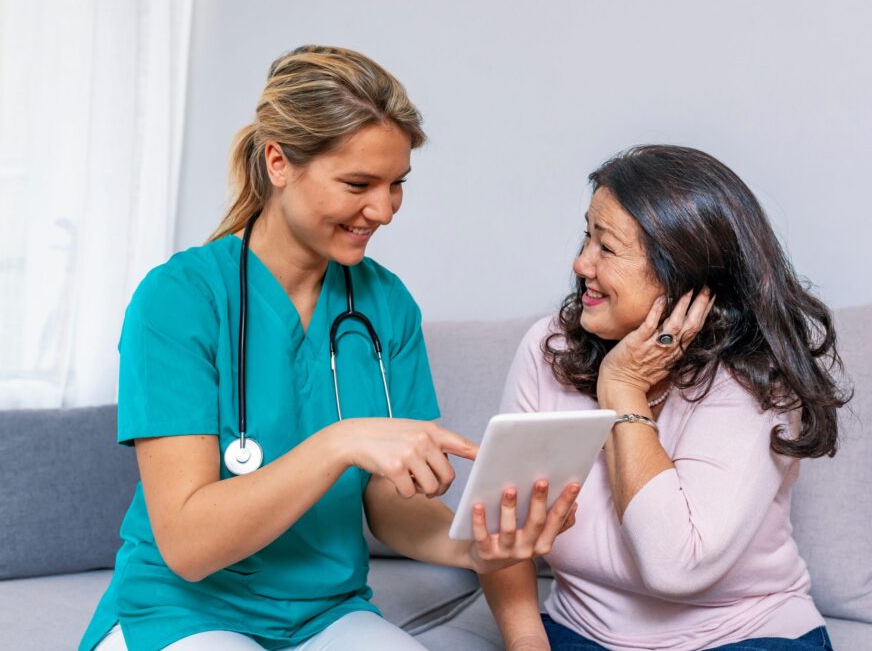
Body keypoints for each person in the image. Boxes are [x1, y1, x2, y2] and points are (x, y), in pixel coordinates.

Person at [79, 45, 579, 651]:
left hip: (324, 612)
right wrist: (340, 442)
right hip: (182, 609)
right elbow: (188, 544)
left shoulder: (385, 304)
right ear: (278, 161)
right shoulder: (179, 300)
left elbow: (390, 506)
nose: (383, 210)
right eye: (358, 184)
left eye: (397, 185)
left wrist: (478, 543)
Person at [480, 145, 848, 651]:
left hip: (740, 635)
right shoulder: (550, 348)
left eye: (606, 249)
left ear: (683, 275)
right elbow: (501, 525)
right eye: (588, 235)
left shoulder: (754, 377)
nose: (581, 262)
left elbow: (675, 565)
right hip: (577, 632)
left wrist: (622, 389)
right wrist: (527, 644)